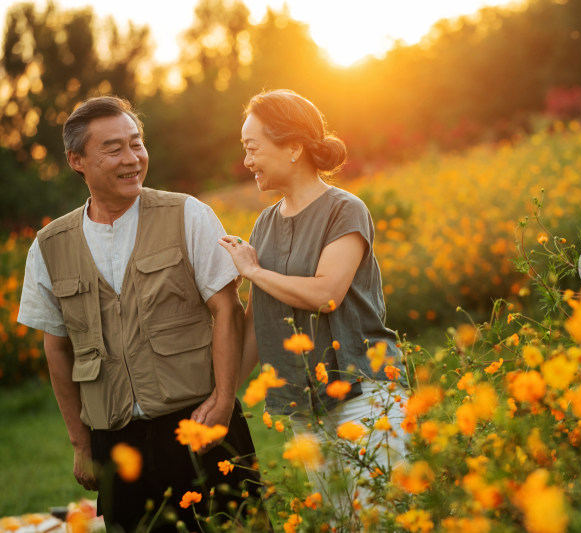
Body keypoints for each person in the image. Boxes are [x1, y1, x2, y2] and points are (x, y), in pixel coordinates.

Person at [17, 96, 260, 533]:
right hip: (115, 445)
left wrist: (224, 402)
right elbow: (56, 347)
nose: (132, 159)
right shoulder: (49, 246)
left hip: (199, 424)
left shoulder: (188, 214)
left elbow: (227, 308)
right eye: (114, 149)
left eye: (137, 143)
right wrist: (80, 443)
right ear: (77, 160)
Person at [218, 89, 407, 521]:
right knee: (341, 522)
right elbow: (256, 322)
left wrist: (255, 271)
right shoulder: (265, 223)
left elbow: (327, 294)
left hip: (362, 393)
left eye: (253, 147)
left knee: (384, 522)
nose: (247, 161)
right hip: (304, 407)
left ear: (293, 148)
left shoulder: (345, 210)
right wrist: (222, 398)